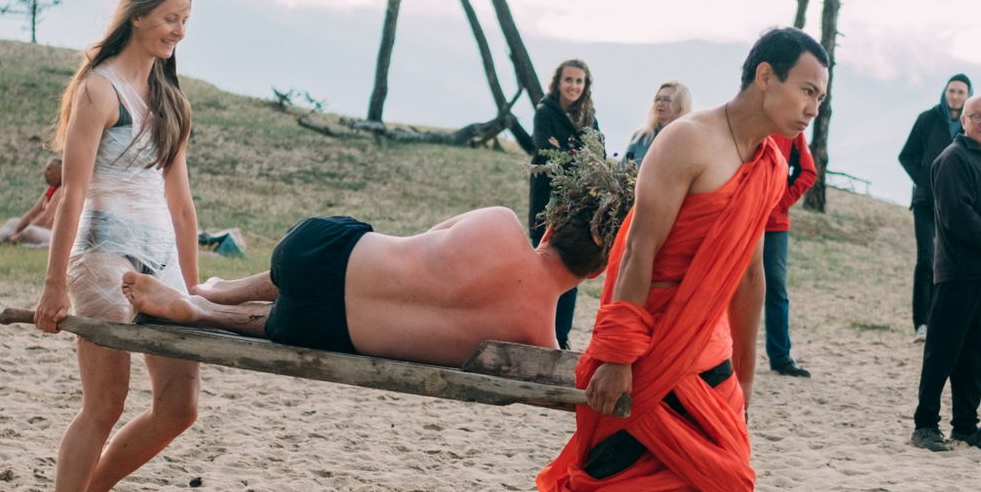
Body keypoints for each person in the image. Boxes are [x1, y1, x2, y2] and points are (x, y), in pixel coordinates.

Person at [489, 27, 829, 492]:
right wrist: (617, 355)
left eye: (821, 98)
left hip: (713, 362)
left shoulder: (772, 165)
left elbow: (748, 277)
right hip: (649, 353)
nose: (813, 108)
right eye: (807, 90)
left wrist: (745, 379)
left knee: (722, 489)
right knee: (603, 487)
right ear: (765, 77)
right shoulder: (686, 141)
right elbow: (637, 250)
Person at [124, 149, 635, 367]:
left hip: (317, 251)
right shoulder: (539, 339)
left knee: (342, 264)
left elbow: (427, 238)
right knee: (290, 319)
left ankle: (214, 289)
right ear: (599, 269)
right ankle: (210, 310)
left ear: (550, 222)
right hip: (320, 326)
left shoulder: (499, 223)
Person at [30, 0, 206, 492]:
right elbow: (73, 194)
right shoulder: (99, 90)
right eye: (169, 18)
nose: (178, 30)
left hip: (162, 255)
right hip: (105, 252)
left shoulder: (172, 100)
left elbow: (182, 207)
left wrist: (194, 293)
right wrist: (55, 285)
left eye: (184, 20)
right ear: (137, 16)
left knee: (180, 407)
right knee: (104, 404)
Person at [912, 94, 981, 453]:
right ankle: (925, 426)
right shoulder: (953, 159)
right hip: (958, 275)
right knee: (942, 353)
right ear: (964, 120)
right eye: (977, 117)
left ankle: (966, 426)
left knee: (976, 355)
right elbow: (961, 219)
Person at [529, 58, 599, 349]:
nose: (573, 86)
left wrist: (567, 150)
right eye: (568, 80)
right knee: (544, 269)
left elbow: (596, 156)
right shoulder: (544, 112)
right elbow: (546, 152)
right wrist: (575, 154)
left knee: (572, 270)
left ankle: (562, 337)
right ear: (558, 82)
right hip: (547, 205)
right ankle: (538, 333)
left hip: (579, 207)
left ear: (585, 85)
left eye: (579, 81)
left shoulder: (590, 117)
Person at [898, 74, 971, 337]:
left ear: (968, 96)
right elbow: (906, 155)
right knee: (927, 260)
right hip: (925, 203)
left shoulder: (971, 125)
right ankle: (922, 323)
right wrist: (925, 181)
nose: (955, 96)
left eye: (961, 92)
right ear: (945, 92)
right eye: (952, 90)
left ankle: (944, 320)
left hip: (957, 207)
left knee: (952, 262)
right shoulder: (927, 119)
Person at [762, 133, 819, 376]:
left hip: (774, 224)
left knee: (776, 288)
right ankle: (722, 358)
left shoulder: (792, 129)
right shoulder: (746, 118)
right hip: (740, 219)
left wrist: (782, 202)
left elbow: (808, 172)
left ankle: (781, 358)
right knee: (730, 286)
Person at [0, 156, 65, 246]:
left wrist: (19, 233)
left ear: (59, 173)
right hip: (43, 231)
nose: (45, 172)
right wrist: (15, 230)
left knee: (29, 231)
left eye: (49, 170)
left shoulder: (61, 191)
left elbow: (45, 218)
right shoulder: (50, 190)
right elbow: (33, 213)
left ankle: (16, 242)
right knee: (13, 222)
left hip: (54, 234)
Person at [625, 81, 691, 164]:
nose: (660, 103)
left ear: (680, 106)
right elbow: (622, 169)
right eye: (658, 99)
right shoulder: (640, 138)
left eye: (666, 100)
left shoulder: (688, 139)